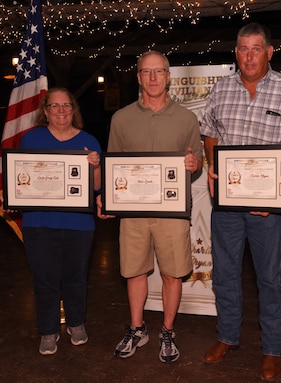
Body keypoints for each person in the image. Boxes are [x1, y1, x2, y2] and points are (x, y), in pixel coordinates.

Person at [200, 22, 281, 381]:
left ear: (269, 52)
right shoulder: (221, 89)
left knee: (269, 279)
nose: (249, 56)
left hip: (267, 210)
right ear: (236, 53)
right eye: (243, 49)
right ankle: (228, 337)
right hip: (227, 206)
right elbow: (210, 133)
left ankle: (273, 348)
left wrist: (277, 200)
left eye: (256, 49)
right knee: (226, 275)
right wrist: (213, 165)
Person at [97, 50, 203, 363]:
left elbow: (194, 160)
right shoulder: (121, 118)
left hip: (171, 212)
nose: (153, 78)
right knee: (134, 271)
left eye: (159, 71)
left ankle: (167, 330)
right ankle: (137, 327)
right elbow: (113, 163)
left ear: (169, 77)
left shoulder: (187, 118)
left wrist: (194, 163)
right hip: (133, 213)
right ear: (139, 77)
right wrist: (106, 194)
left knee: (172, 274)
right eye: (147, 72)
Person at [15, 87, 102, 355]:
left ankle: (76, 324)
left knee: (76, 277)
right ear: (45, 111)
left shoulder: (89, 141)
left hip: (79, 224)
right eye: (55, 106)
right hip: (39, 223)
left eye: (66, 105)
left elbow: (98, 188)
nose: (61, 110)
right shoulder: (30, 140)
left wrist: (95, 166)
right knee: (45, 279)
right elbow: (21, 179)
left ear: (73, 109)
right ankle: (48, 331)